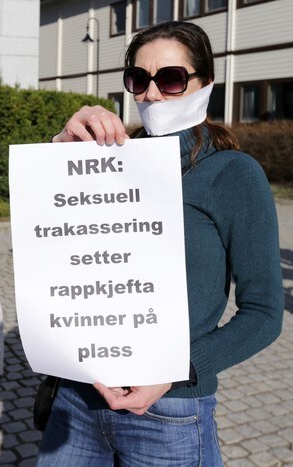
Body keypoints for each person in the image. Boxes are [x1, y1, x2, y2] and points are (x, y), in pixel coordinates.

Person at [36, 21, 283, 466]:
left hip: (169, 411)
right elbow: (55, 244)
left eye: (170, 79)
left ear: (205, 83)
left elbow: (265, 313)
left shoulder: (233, 174)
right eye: (138, 79)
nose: (151, 94)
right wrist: (60, 151)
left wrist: (175, 372)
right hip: (76, 400)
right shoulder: (107, 160)